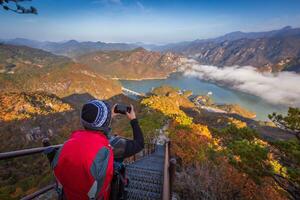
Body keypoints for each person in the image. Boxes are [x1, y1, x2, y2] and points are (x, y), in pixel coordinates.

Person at [44, 99, 144, 200]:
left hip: (69, 195)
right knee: (118, 165)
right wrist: (133, 119)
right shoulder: (113, 146)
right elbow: (139, 144)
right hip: (100, 196)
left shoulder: (68, 144)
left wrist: (107, 119)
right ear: (105, 123)